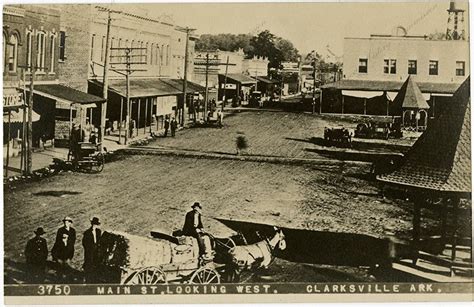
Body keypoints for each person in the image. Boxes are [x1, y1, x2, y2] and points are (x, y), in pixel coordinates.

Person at [82, 217, 102, 283]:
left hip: (97, 252)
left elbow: (100, 241)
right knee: (89, 266)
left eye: (96, 224)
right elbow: (84, 243)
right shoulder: (87, 233)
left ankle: (95, 279)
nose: (95, 226)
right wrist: (90, 249)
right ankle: (88, 280)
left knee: (96, 265)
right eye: (94, 224)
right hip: (89, 253)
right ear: (92, 224)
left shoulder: (99, 231)